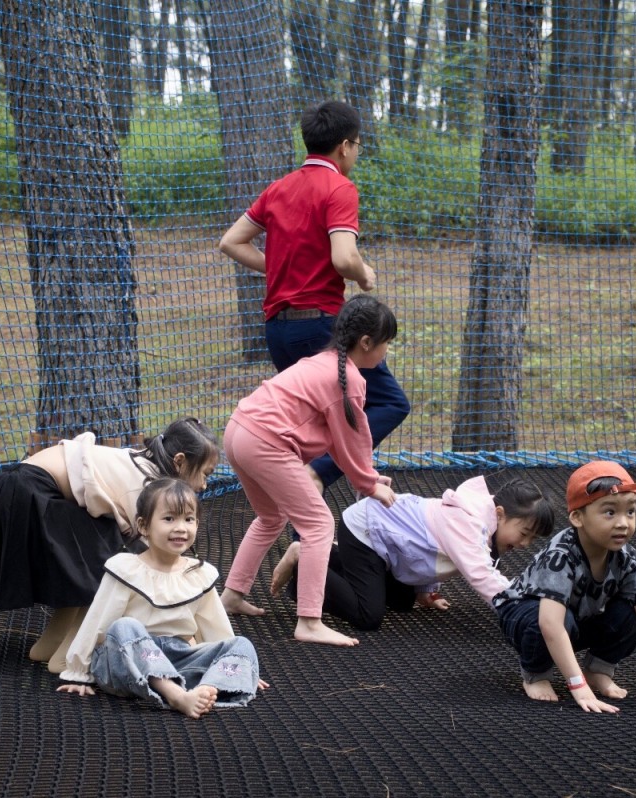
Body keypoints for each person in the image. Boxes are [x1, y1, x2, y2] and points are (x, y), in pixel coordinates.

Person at [218, 100, 409, 494]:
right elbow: (344, 258)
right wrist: (364, 274)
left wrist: (280, 268)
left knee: (306, 422)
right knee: (390, 403)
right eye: (357, 145)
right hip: (322, 328)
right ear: (344, 146)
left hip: (278, 331)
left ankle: (298, 511)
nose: (356, 153)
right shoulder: (339, 188)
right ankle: (319, 473)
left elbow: (231, 242)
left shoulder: (278, 188)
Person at [0, 417, 220, 674]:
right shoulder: (145, 487)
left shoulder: (140, 461)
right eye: (204, 474)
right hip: (30, 492)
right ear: (179, 461)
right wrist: (185, 629)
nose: (204, 485)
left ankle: (48, 645)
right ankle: (68, 659)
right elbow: (151, 561)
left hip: (12, 488)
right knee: (109, 570)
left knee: (86, 565)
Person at [220, 294, 399, 647]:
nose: (387, 351)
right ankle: (309, 621)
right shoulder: (348, 380)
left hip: (238, 431)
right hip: (265, 442)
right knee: (318, 524)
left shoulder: (322, 362)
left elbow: (339, 442)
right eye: (386, 343)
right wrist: (368, 483)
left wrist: (367, 476)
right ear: (366, 342)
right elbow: (352, 439)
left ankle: (232, 595)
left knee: (271, 517)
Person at [493, 461, 636, 713]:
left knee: (635, 607)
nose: (623, 523)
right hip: (524, 615)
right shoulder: (560, 556)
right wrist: (577, 686)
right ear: (577, 517)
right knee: (554, 620)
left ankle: (598, 670)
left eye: (630, 512)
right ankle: (535, 673)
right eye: (610, 513)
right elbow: (550, 624)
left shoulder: (626, 557)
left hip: (574, 618)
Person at [56, 478, 268, 719]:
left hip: (177, 660)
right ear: (144, 525)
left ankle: (207, 690)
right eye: (169, 519)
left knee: (241, 644)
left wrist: (237, 666)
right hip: (127, 659)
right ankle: (175, 695)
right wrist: (78, 673)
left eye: (189, 519)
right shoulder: (127, 569)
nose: (181, 528)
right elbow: (98, 621)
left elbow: (217, 628)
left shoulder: (198, 574)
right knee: (125, 626)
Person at [276, 474, 554, 631]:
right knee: (367, 616)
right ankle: (305, 560)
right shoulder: (469, 523)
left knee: (402, 601)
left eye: (532, 538)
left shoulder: (482, 524)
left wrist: (426, 591)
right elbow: (481, 574)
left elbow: (428, 545)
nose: (525, 543)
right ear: (500, 514)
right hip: (365, 531)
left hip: (387, 543)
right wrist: (523, 611)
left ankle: (323, 556)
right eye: (524, 533)